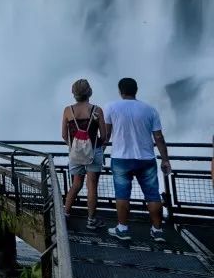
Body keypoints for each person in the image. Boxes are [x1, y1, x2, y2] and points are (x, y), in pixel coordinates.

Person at [105, 78, 171, 242]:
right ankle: (157, 231)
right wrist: (165, 160)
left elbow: (106, 136)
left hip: (121, 158)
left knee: (122, 195)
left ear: (120, 91)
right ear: (136, 90)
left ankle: (123, 229)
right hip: (146, 158)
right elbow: (159, 137)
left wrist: (98, 152)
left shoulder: (111, 107)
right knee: (152, 195)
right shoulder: (150, 110)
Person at [62, 79, 107, 229]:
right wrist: (94, 145)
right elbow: (104, 136)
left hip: (75, 153)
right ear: (89, 92)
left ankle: (65, 215)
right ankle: (91, 220)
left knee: (76, 184)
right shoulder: (97, 110)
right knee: (92, 185)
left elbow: (64, 135)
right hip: (93, 152)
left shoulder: (68, 111)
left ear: (74, 94)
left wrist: (74, 147)